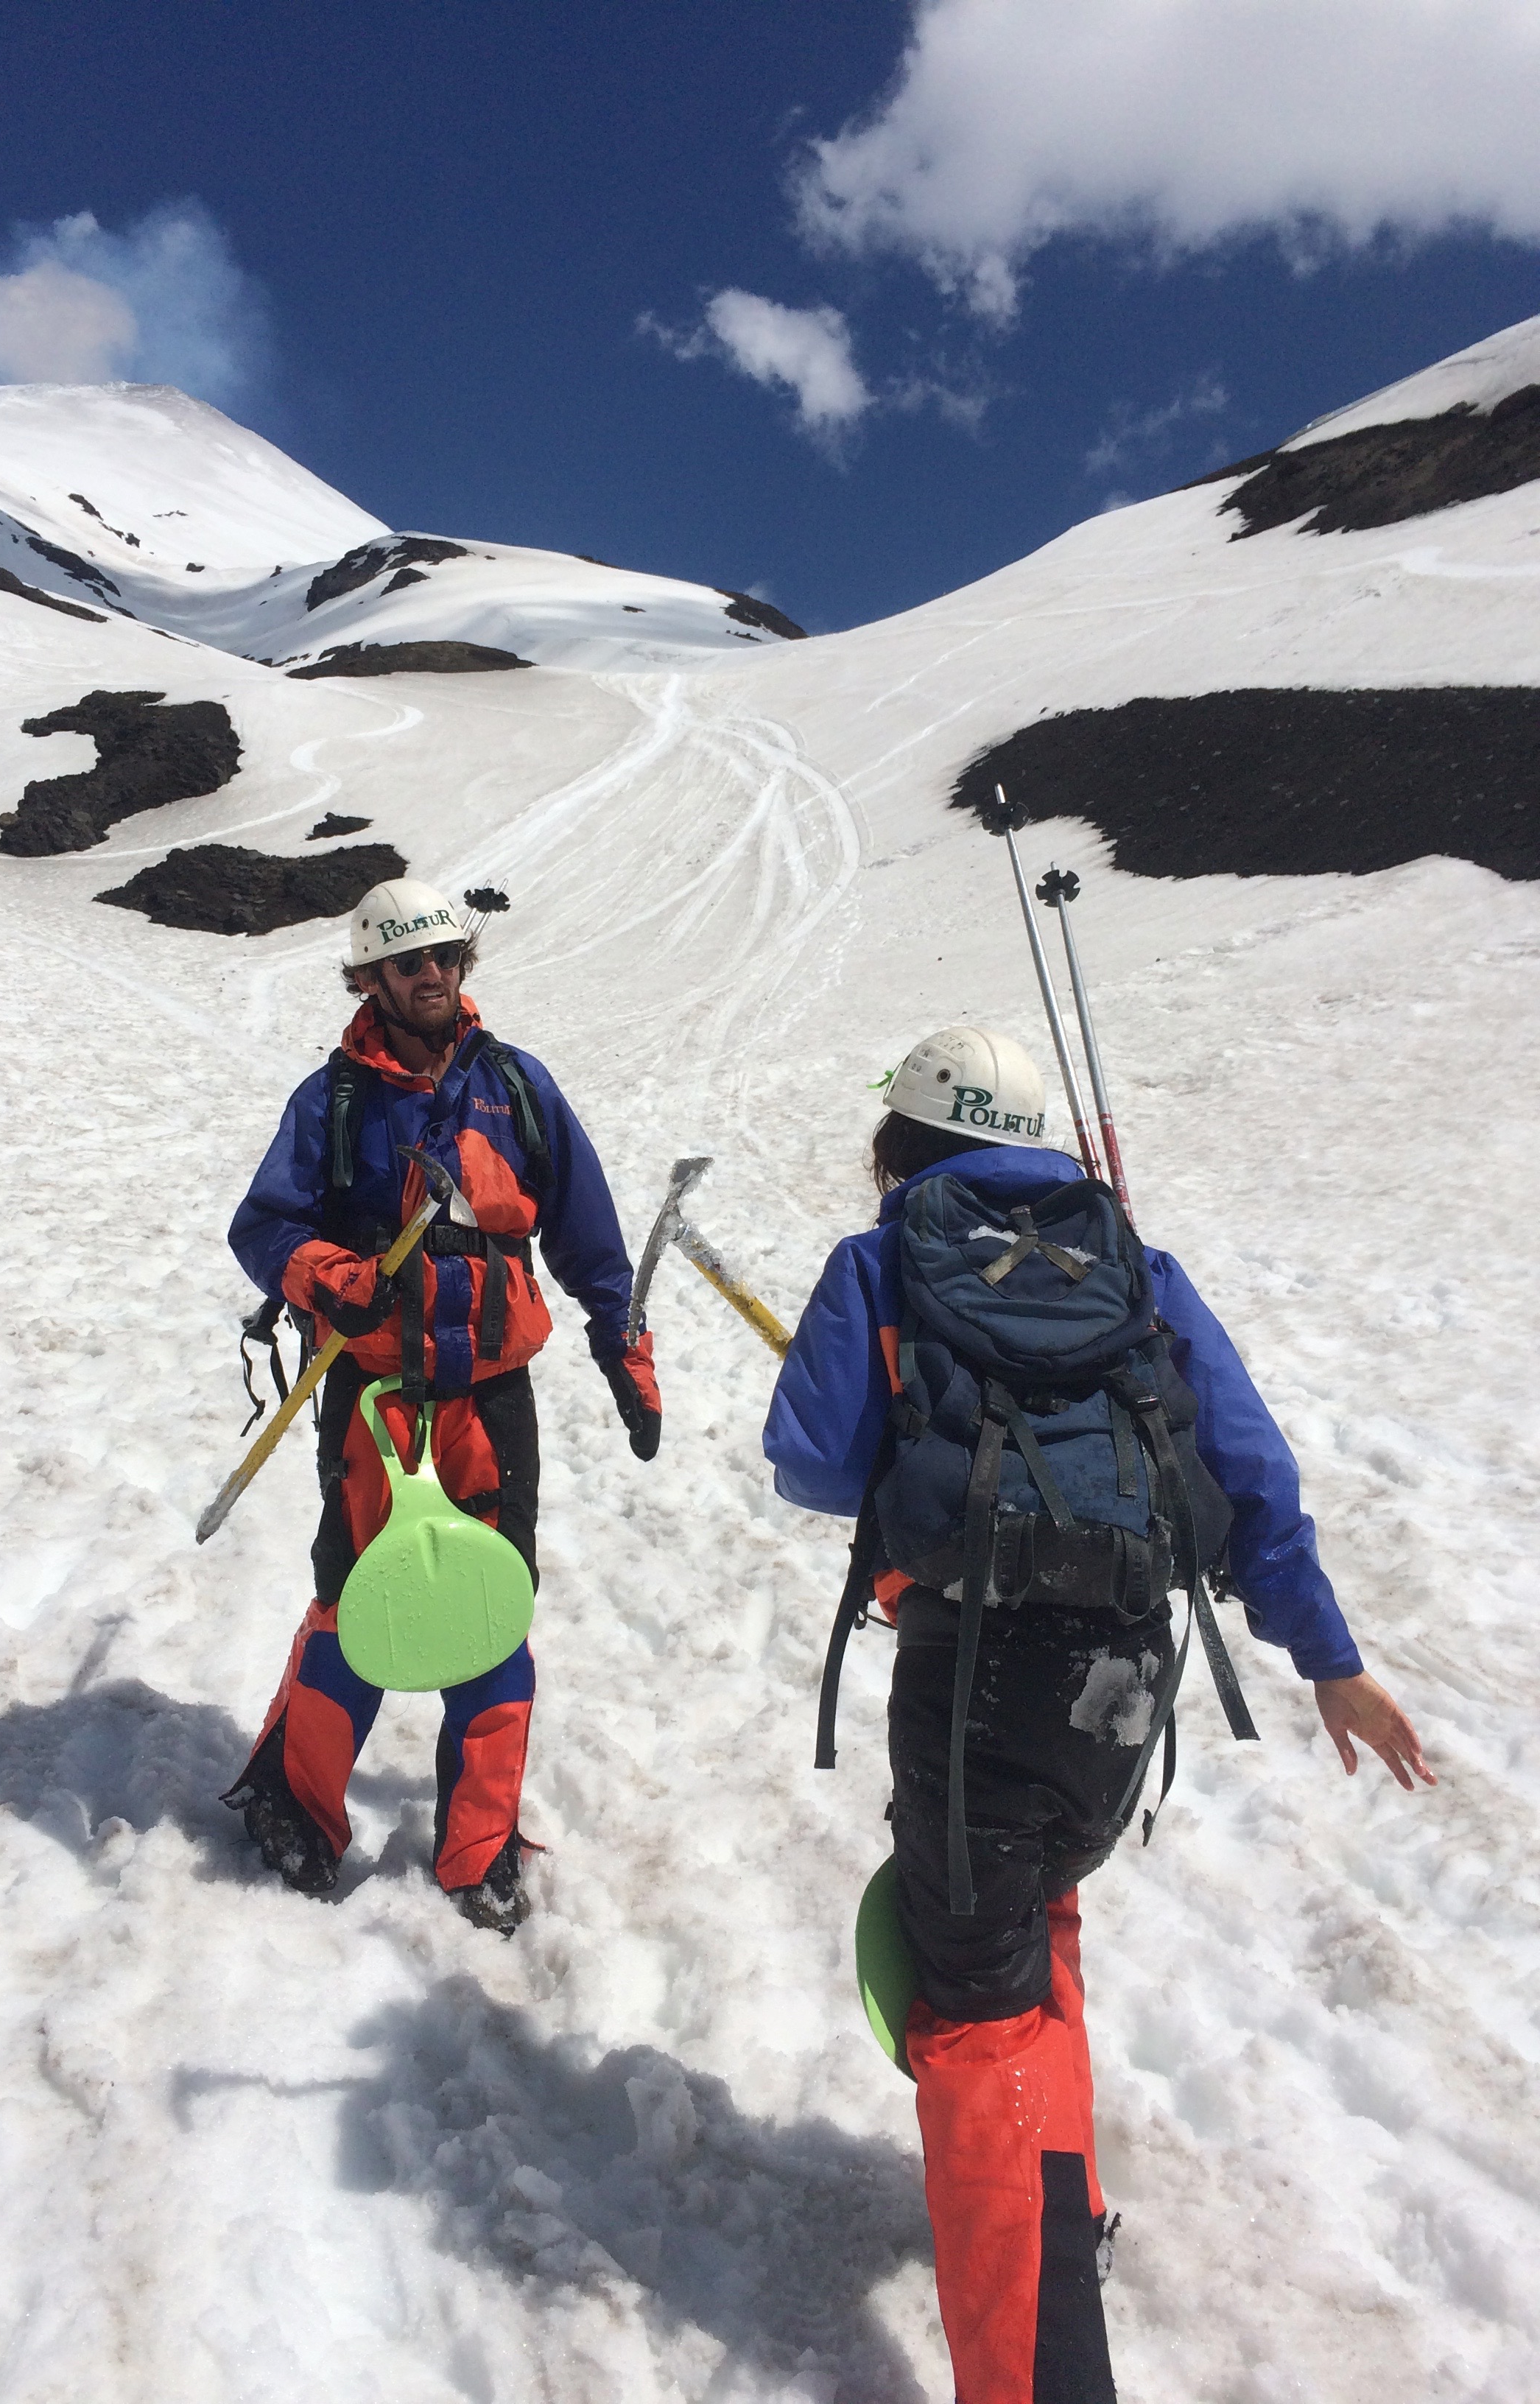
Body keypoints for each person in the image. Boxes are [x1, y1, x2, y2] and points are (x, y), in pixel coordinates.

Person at [762, 1024, 1432, 2403]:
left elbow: (813, 1467)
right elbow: (1247, 1469)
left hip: (972, 1683)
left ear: (901, 1140)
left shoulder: (883, 1259)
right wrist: (1328, 1655)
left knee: (975, 2019)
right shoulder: (1133, 1261)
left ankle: (1037, 2370)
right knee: (1036, 1925)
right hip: (1128, 1676)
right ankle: (1061, 2225)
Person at [222, 877, 659, 1931]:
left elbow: (589, 1232)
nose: (432, 978)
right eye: (409, 964)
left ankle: (480, 1846)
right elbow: (264, 1225)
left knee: (491, 1608)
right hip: (374, 1397)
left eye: (447, 959)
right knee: (352, 1603)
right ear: (370, 977)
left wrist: (622, 1343)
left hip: (490, 1398)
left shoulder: (516, 1085)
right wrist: (333, 1277)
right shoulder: (331, 1102)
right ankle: (296, 1805)